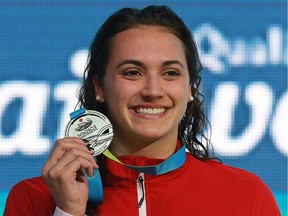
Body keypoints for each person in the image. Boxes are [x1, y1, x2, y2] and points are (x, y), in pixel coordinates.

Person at [4, 5, 280, 216]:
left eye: (170, 73)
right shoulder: (33, 198)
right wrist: (67, 212)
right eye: (132, 72)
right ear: (99, 87)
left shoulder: (246, 197)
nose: (153, 90)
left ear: (191, 88)